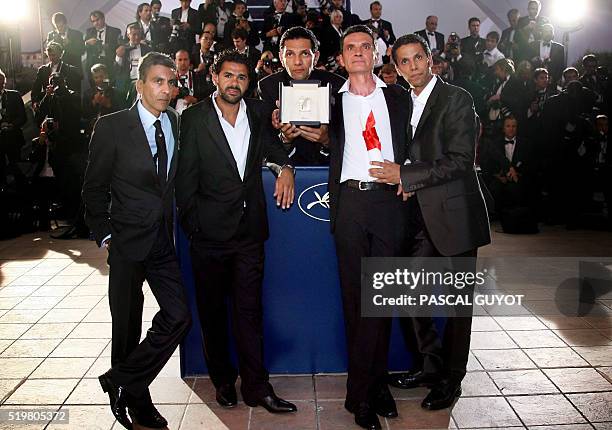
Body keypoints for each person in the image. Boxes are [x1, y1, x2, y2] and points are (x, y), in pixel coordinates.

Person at [175, 49, 297, 414]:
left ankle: (257, 387)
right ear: (215, 77)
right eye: (228, 76)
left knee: (249, 312)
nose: (234, 83)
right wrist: (195, 226)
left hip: (249, 234)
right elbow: (185, 179)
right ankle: (223, 382)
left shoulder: (259, 113)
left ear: (248, 81)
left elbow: (274, 148)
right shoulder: (193, 118)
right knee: (212, 314)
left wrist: (285, 167)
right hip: (208, 236)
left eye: (241, 77)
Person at [373, 33, 490, 410]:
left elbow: (459, 160)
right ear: (396, 66)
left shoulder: (457, 99)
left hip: (456, 216)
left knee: (458, 307)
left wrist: (405, 176)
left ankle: (451, 380)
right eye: (403, 62)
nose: (412, 67)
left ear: (430, 58)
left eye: (417, 58)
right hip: (417, 217)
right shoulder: (401, 102)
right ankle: (429, 365)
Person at [82, 52, 192, 429]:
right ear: (140, 84)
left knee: (179, 317)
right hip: (126, 242)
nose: (166, 89)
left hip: (162, 241)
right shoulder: (112, 126)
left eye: (172, 81)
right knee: (126, 326)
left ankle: (120, 381)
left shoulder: (175, 123)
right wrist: (107, 236)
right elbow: (93, 189)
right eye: (159, 81)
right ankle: (138, 401)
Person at [328, 25, 411, 430]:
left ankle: (368, 386)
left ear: (376, 55)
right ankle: (365, 391)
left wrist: (407, 174)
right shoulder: (329, 101)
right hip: (349, 203)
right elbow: (307, 133)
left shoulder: (399, 98)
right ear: (341, 58)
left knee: (382, 299)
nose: (359, 53)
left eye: (365, 46)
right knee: (355, 299)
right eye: (350, 48)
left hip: (389, 203)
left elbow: (420, 145)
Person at [259, 27, 345, 166]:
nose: (297, 62)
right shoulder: (268, 86)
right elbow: (265, 146)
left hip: (329, 170)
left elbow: (350, 141)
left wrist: (327, 141)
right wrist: (285, 139)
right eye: (290, 54)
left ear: (315, 57)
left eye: (304, 54)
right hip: (287, 170)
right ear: (281, 57)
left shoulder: (337, 85)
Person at [31, 42, 80, 108]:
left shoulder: (70, 70)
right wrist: (35, 102)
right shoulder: (42, 70)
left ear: (61, 54)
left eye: (54, 55)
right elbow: (35, 90)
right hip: (48, 106)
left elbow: (74, 92)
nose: (51, 58)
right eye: (49, 55)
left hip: (64, 106)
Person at [0, 69, 26, 185]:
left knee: (17, 167)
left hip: (13, 138)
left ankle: (21, 192)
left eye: (1, 81)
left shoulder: (14, 95)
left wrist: (12, 125)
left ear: (4, 82)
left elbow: (23, 117)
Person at [170, 49, 210, 113]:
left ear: (189, 61)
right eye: (180, 60)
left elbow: (207, 97)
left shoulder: (198, 77)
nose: (183, 62)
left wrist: (196, 100)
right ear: (175, 61)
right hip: (174, 116)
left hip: (195, 114)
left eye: (185, 59)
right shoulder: (169, 79)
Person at [85, 10, 122, 79]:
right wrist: (87, 43)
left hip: (109, 62)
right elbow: (82, 48)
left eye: (97, 20)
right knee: (94, 86)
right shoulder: (89, 32)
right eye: (93, 21)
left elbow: (119, 46)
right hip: (93, 62)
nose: (96, 23)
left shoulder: (115, 31)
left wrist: (108, 47)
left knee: (110, 83)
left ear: (103, 18)